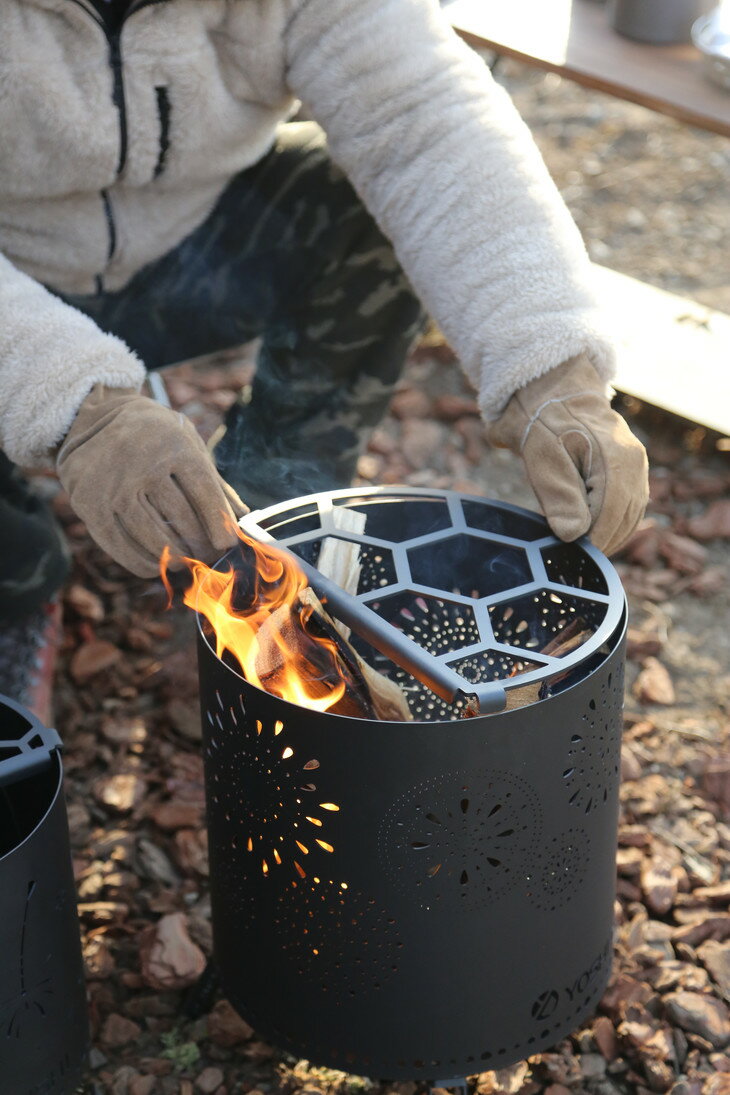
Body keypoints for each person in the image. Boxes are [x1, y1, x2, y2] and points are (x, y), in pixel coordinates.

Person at [0, 0, 648, 622]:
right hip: (19, 281)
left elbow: (423, 124)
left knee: (363, 209)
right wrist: (77, 406)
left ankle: (257, 559)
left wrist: (550, 365)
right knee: (20, 568)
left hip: (194, 247)